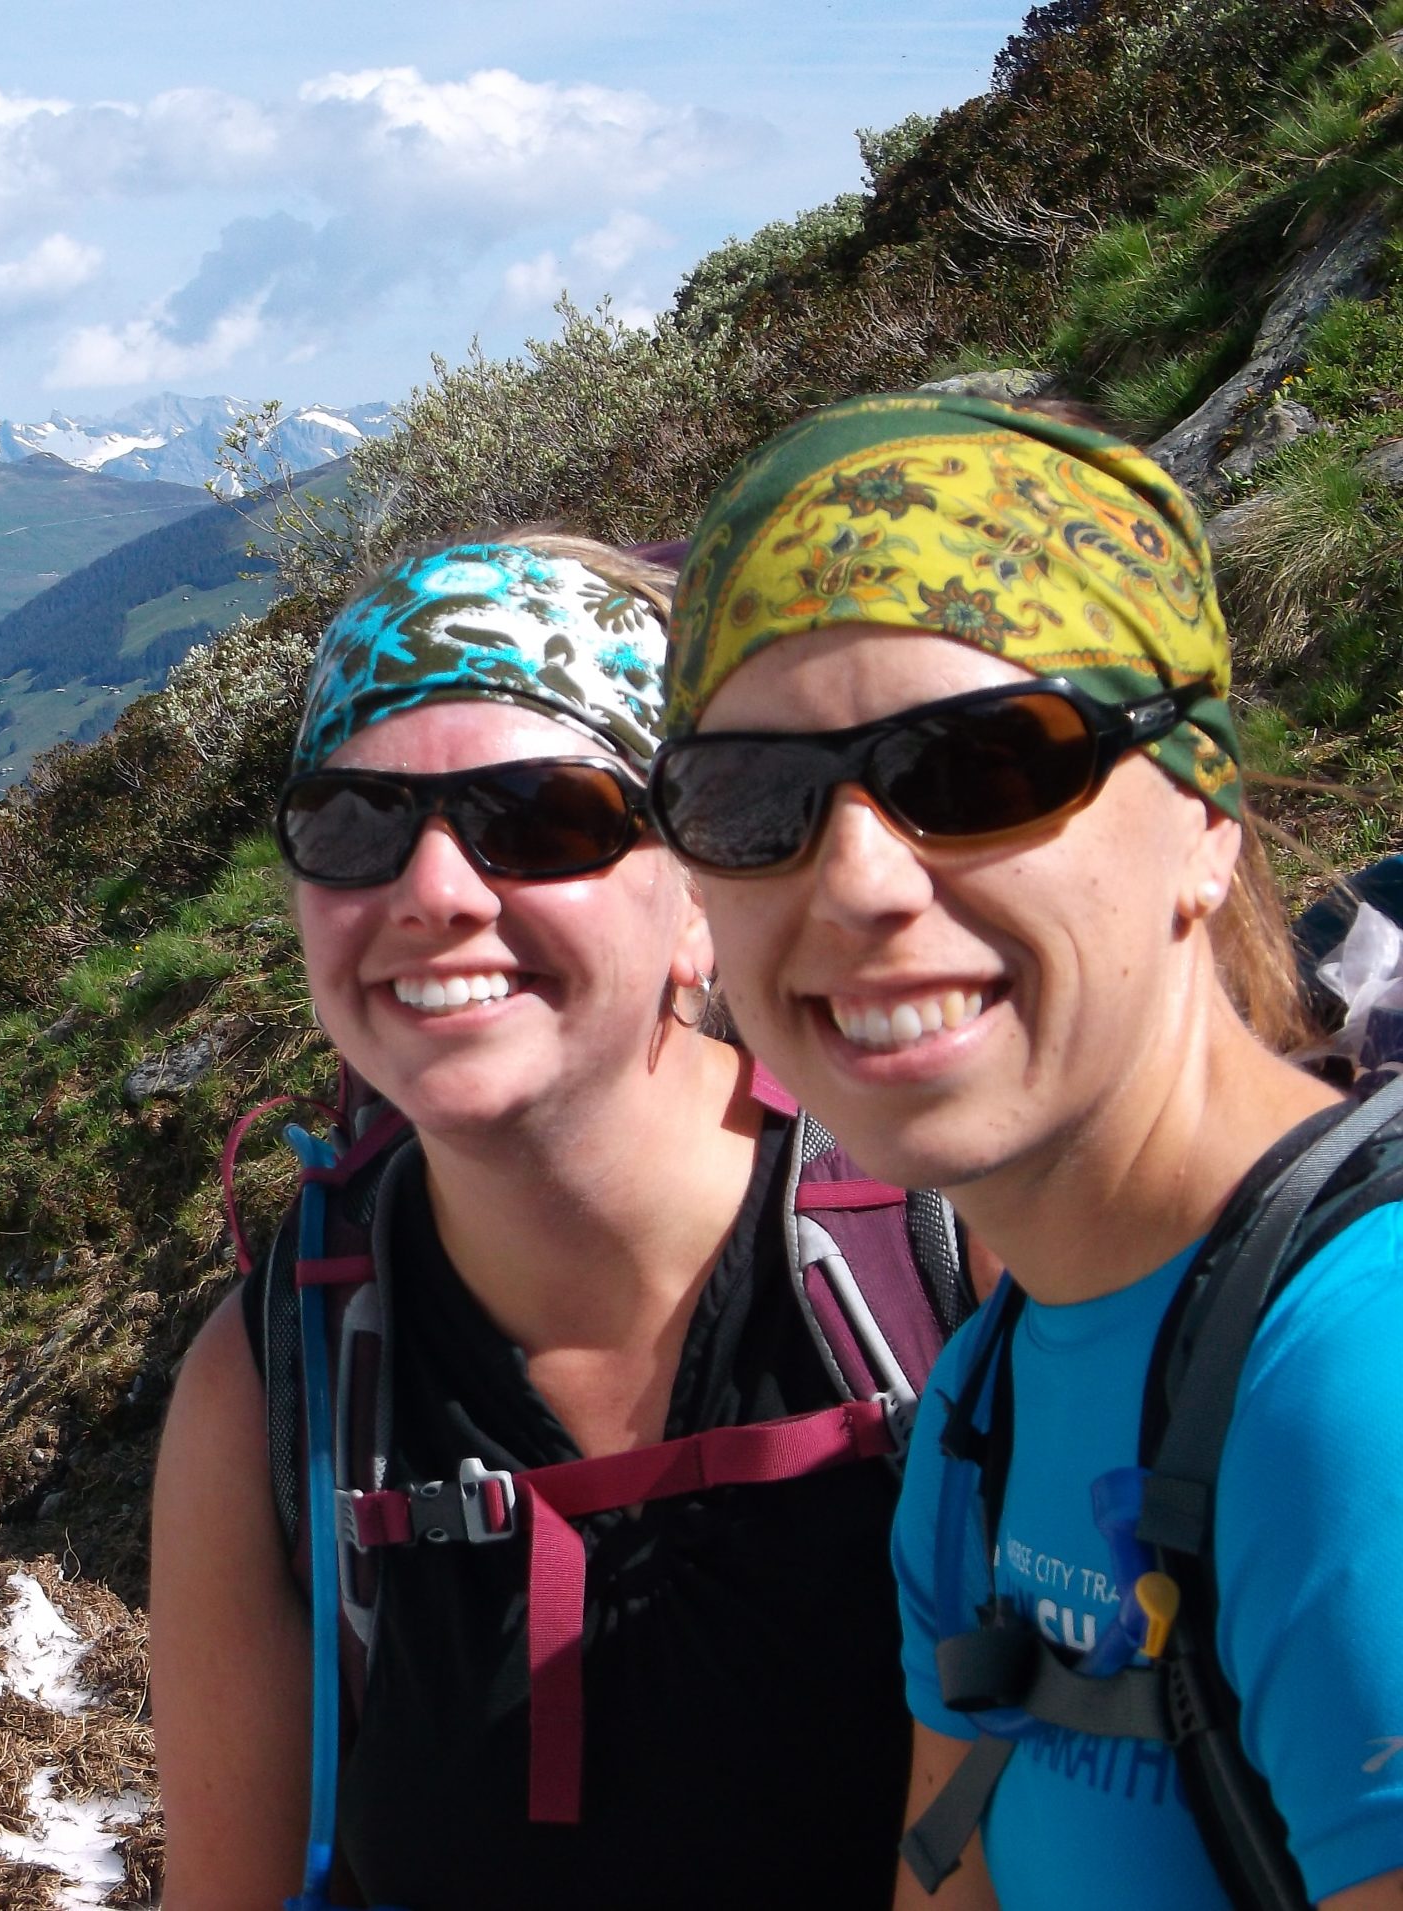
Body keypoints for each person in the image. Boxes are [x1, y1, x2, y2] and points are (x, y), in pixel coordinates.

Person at [649, 391, 1403, 1908]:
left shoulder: (1355, 1386)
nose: (858, 880)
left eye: (982, 767)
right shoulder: (983, 1404)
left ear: (1204, 817)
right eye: (753, 799)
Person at [150, 535, 956, 1910]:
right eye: (355, 822)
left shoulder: (944, 1260)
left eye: (538, 818)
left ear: (699, 896)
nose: (435, 890)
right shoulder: (271, 1381)